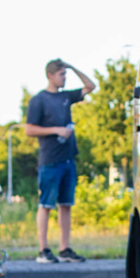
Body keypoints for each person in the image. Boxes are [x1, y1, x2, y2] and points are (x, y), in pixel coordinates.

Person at [24, 59, 96, 263]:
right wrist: (56, 130)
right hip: (50, 160)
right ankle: (43, 251)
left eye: (65, 74)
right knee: (46, 204)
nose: (64, 78)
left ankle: (64, 249)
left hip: (68, 160)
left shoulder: (66, 96)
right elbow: (29, 129)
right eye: (62, 74)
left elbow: (91, 86)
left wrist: (72, 67)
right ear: (50, 75)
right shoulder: (38, 100)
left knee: (66, 205)